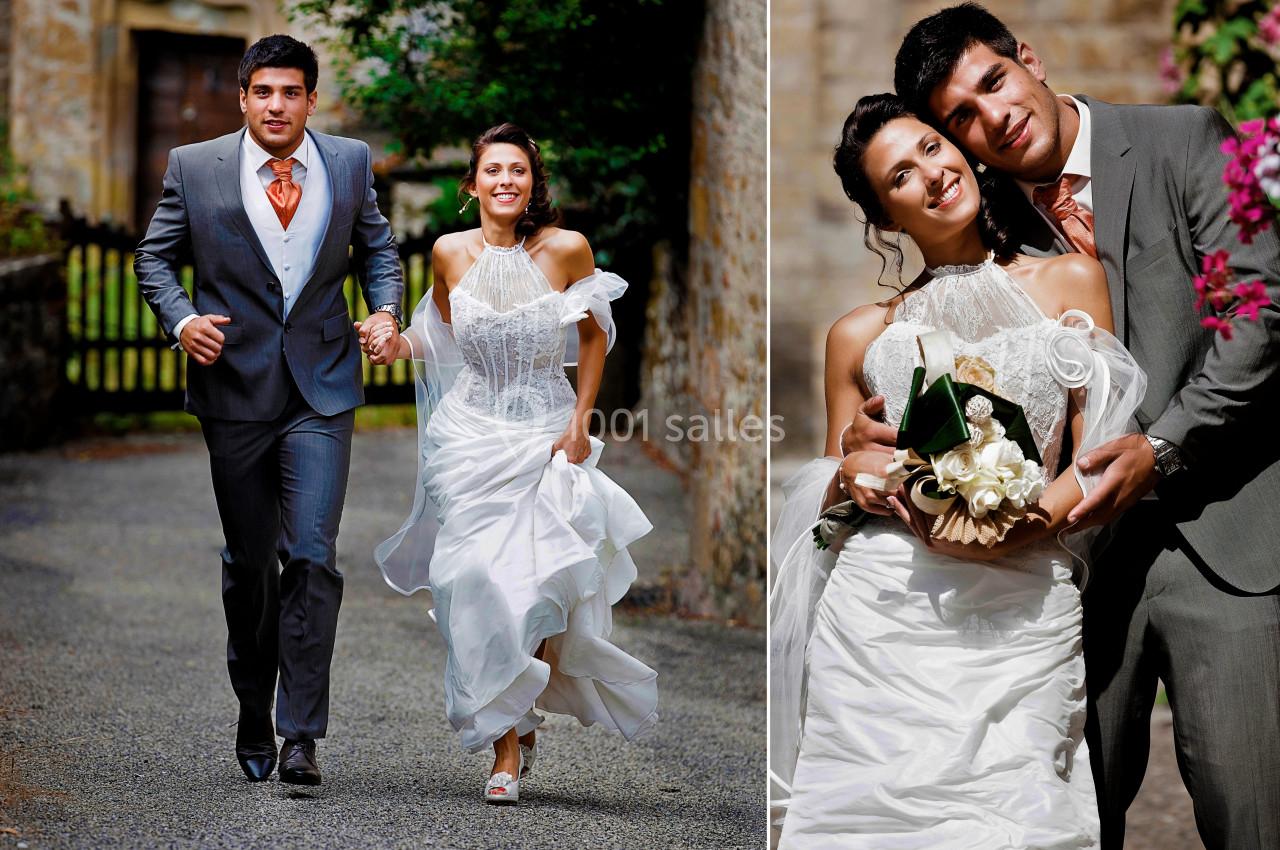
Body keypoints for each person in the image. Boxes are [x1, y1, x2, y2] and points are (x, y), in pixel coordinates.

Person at [833, 6, 1280, 846]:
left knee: (1250, 814)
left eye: (993, 84)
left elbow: (1263, 319)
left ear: (1028, 60)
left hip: (1222, 538)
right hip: (1064, 572)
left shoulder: (1187, 139)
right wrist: (868, 449)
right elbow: (931, 375)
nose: (989, 118)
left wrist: (1160, 448)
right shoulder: (972, 213)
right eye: (958, 119)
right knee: (1057, 820)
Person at [770, 93, 1145, 847]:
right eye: (902, 176)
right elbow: (837, 486)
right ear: (886, 219)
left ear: (964, 154)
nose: (933, 174)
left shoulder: (1072, 282)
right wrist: (855, 471)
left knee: (1020, 818)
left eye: (932, 149)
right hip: (884, 609)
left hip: (1026, 593)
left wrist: (1022, 526)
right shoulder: (857, 335)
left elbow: (1101, 452)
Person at [133, 35, 404, 786]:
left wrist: (384, 311)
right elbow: (153, 258)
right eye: (263, 93)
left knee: (312, 556)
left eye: (291, 93)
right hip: (235, 389)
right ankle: (254, 707)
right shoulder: (195, 166)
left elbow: (378, 250)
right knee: (251, 564)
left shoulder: (349, 162)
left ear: (311, 100)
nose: (276, 106)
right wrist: (183, 320)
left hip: (322, 385)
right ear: (244, 97)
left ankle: (300, 735)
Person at [364, 123, 658, 805]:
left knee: (537, 586)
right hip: (468, 436)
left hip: (543, 435)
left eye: (518, 171)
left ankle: (515, 724)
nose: (505, 181)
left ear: (532, 183)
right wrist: (388, 344)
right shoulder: (446, 253)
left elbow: (593, 339)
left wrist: (581, 422)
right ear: (471, 184)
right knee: (468, 576)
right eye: (493, 170)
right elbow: (435, 340)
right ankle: (507, 731)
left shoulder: (566, 250)